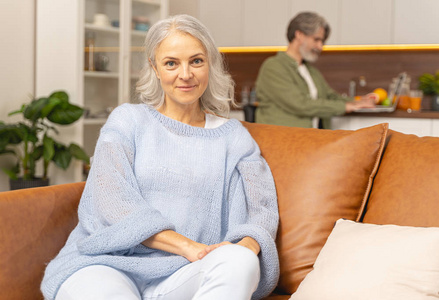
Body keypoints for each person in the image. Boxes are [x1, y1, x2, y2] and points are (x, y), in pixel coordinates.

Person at [41, 15, 279, 300]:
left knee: (241, 262)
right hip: (107, 265)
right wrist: (187, 246)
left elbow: (262, 208)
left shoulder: (233, 137)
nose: (186, 74)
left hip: (187, 271)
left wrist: (247, 245)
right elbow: (111, 200)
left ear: (210, 64)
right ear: (154, 68)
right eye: (171, 63)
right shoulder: (129, 121)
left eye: (196, 61)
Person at [255, 11, 376, 129]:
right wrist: (346, 106)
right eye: (316, 40)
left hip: (310, 141)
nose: (320, 46)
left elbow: (330, 97)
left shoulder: (311, 71)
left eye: (322, 41)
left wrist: (359, 101)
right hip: (283, 143)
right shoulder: (273, 66)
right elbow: (300, 104)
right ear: (299, 35)